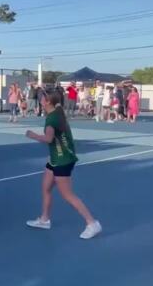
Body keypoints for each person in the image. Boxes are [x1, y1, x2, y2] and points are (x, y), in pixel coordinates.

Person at [25, 91, 102, 239]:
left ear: (47, 102)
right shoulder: (55, 115)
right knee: (46, 187)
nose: (40, 98)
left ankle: (92, 223)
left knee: (68, 195)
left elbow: (48, 138)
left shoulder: (52, 119)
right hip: (55, 159)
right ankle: (44, 219)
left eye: (42, 97)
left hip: (62, 161)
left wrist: (32, 135)